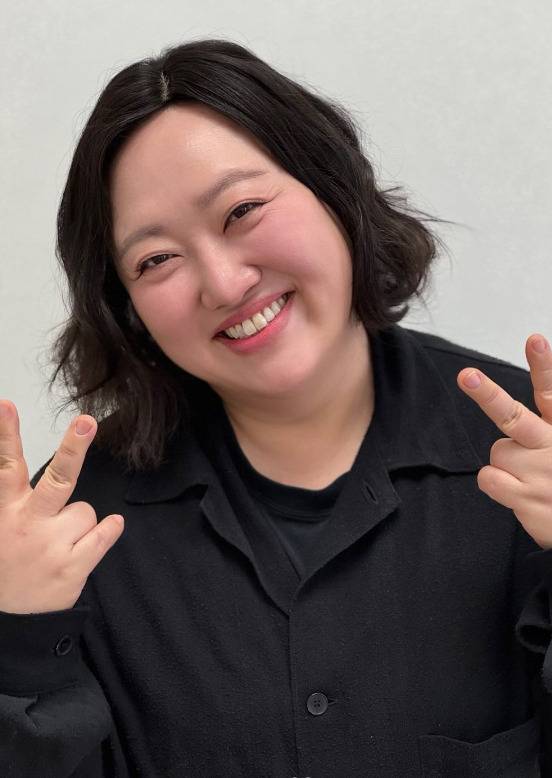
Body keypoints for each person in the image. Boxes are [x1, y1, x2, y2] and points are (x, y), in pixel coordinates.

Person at [0, 38, 551, 778]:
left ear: (332, 188)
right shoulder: (69, 534)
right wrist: (17, 639)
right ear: (127, 311)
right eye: (156, 260)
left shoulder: (533, 456)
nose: (224, 284)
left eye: (242, 210)